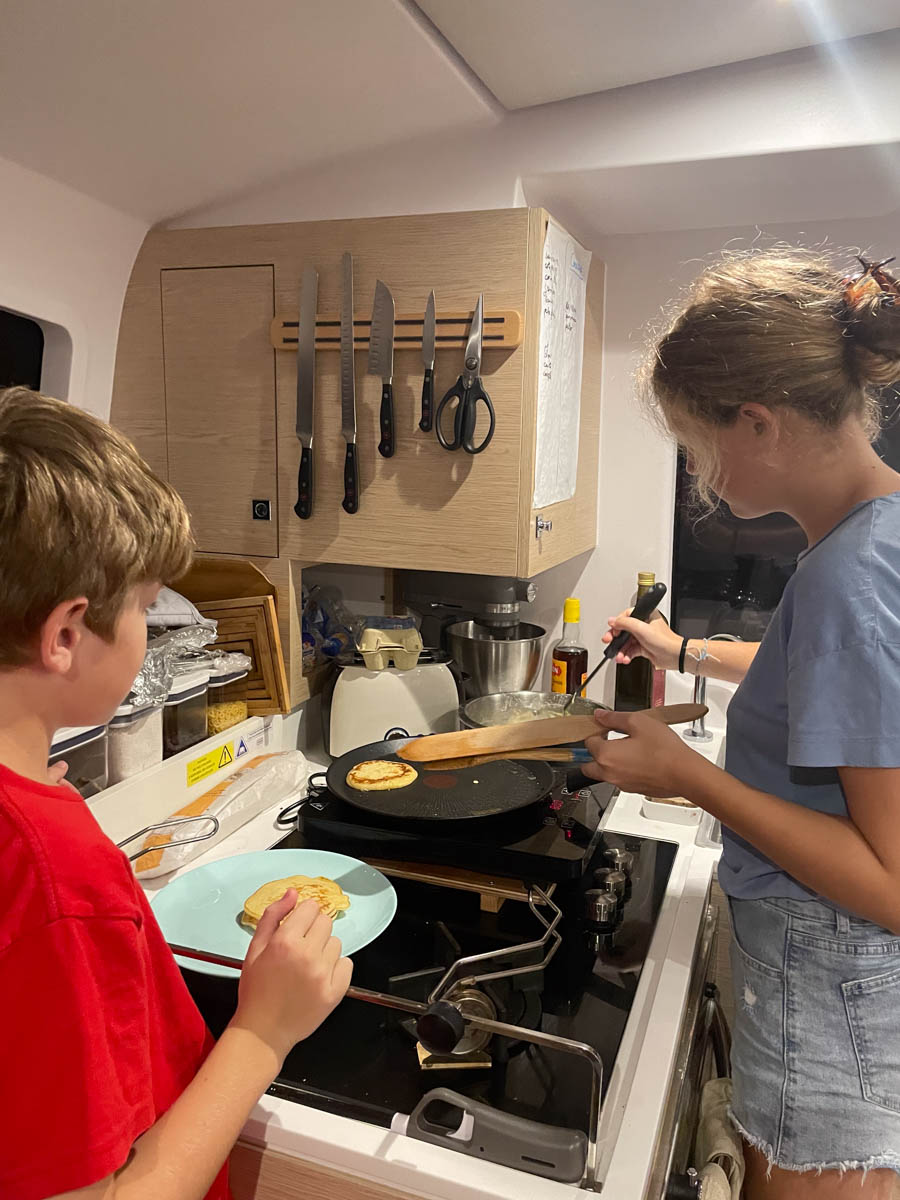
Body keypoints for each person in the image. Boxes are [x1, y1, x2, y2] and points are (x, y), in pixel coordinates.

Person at [584, 249, 900, 1200]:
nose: (697, 470)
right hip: (844, 982)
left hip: (831, 990)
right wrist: (682, 649)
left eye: (696, 441)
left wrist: (689, 776)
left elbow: (894, 885)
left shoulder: (849, 578)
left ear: (758, 422)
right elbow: (834, 688)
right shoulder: (875, 535)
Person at [0, 387, 352, 1200]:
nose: (150, 629)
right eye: (146, 607)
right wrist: (265, 1029)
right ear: (65, 635)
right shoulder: (51, 873)